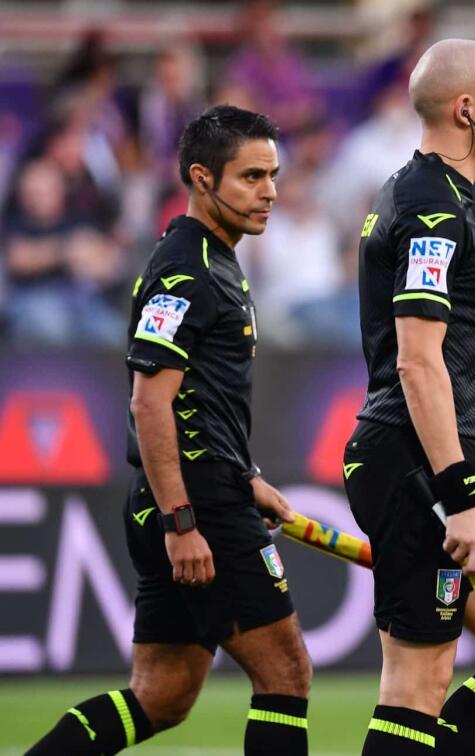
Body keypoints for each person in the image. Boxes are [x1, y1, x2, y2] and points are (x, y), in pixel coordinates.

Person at [27, 105, 312, 756]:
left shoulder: (217, 259)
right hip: (195, 506)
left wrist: (249, 476)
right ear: (201, 179)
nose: (269, 191)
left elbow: (201, 403)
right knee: (286, 674)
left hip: (205, 490)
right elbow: (150, 405)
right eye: (251, 177)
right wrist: (182, 521)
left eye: (273, 175)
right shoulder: (184, 268)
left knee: (163, 694)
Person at [343, 39, 475, 755]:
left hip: (437, 461)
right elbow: (418, 364)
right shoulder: (431, 208)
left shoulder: (428, 193)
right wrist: (459, 498)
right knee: (416, 684)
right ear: (466, 109)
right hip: (417, 465)